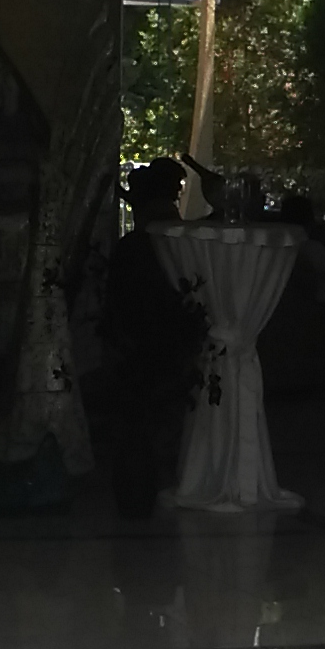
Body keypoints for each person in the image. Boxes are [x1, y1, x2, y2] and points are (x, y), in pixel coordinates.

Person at [89, 162, 205, 523]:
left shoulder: (137, 246)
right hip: (167, 347)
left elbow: (117, 307)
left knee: (139, 421)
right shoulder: (181, 243)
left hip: (144, 348)